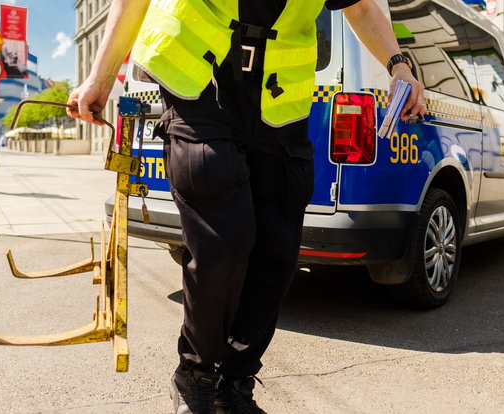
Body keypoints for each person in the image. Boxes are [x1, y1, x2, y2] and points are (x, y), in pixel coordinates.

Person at [67, 1, 426, 413]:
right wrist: (101, 77)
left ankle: (233, 385)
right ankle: (196, 375)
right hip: (198, 85)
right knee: (224, 242)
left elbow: (361, 7)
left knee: (277, 255)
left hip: (277, 101)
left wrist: (399, 66)